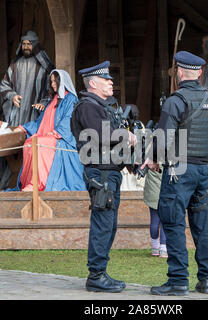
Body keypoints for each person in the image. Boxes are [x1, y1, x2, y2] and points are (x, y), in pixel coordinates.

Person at [143, 51, 208, 296]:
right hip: (202, 170)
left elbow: (163, 136)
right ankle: (206, 280)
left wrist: (153, 158)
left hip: (179, 170)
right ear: (199, 73)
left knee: (174, 224)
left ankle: (178, 281)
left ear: (179, 72)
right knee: (202, 225)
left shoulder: (175, 101)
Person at [71, 61, 137, 293]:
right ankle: (96, 275)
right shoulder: (88, 106)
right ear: (92, 83)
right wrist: (125, 135)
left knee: (108, 224)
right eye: (105, 79)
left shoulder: (102, 106)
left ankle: (99, 272)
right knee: (103, 223)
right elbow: (99, 134)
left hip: (109, 172)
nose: (111, 82)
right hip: (101, 173)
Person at [0, 31, 54, 190]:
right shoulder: (14, 64)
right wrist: (12, 96)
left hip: (34, 116)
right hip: (17, 116)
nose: (26, 47)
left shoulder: (45, 66)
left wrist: (44, 102)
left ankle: (32, 182)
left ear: (35, 45)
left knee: (32, 147)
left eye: (29, 44)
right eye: (24, 44)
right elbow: (4, 85)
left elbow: (53, 88)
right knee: (13, 148)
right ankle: (9, 181)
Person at [13, 69, 86, 192]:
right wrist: (23, 128)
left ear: (62, 81)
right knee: (29, 143)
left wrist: (56, 133)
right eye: (51, 81)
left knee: (40, 144)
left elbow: (70, 119)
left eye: (55, 81)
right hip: (49, 137)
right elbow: (39, 123)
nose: (53, 84)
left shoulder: (71, 99)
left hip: (63, 139)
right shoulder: (53, 100)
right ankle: (31, 182)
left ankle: (38, 184)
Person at [143, 167, 167, 258]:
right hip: (165, 192)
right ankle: (163, 248)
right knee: (165, 221)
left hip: (152, 192)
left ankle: (155, 247)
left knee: (154, 221)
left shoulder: (150, 156)